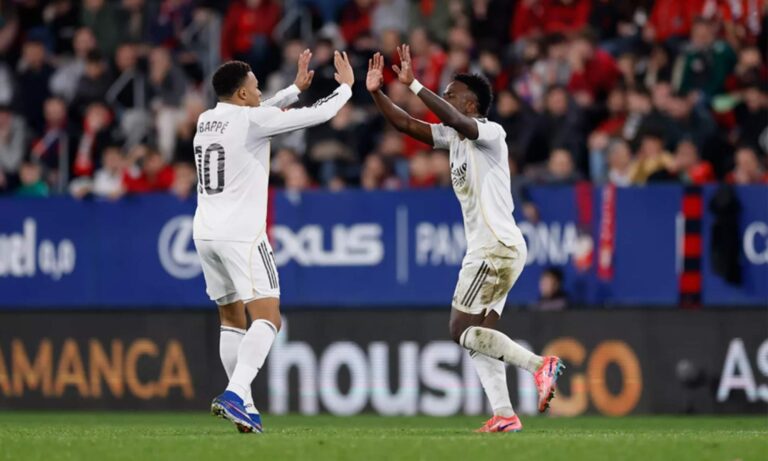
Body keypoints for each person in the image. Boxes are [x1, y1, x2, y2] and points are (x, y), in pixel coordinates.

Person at [366, 46, 564, 433]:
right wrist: (377, 92)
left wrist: (416, 85)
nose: (444, 98)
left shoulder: (490, 133)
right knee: (478, 337)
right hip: (499, 248)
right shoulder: (452, 138)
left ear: (470, 104)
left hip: (494, 247)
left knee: (460, 331)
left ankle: (541, 365)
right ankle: (505, 414)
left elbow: (455, 118)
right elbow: (405, 124)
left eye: (451, 94)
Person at [197, 49, 354, 433]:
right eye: (255, 87)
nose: (259, 92)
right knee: (268, 317)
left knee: (232, 319)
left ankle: (246, 407)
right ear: (242, 94)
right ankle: (235, 394)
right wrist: (346, 89)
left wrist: (292, 90)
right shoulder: (251, 120)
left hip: (205, 232)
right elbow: (318, 115)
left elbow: (257, 112)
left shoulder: (206, 119)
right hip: (242, 234)